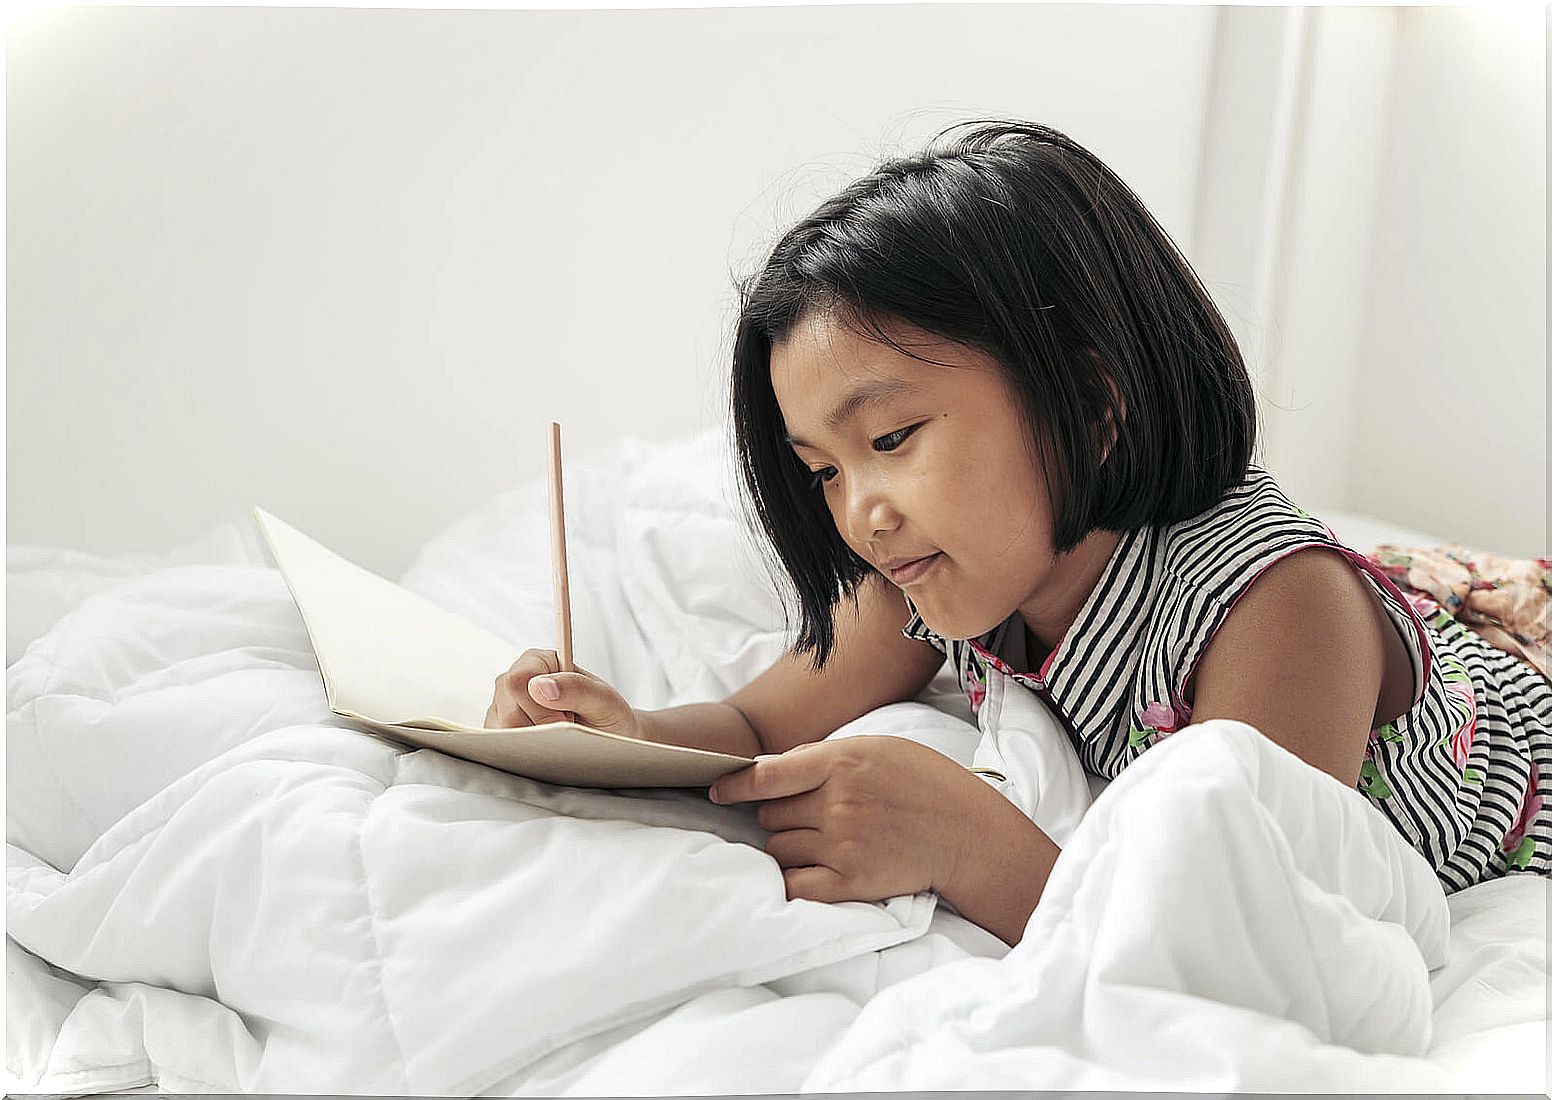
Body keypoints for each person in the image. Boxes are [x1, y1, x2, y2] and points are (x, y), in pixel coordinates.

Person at [486, 119, 1550, 946]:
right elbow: (759, 722)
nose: (859, 508)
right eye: (821, 471)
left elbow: (1261, 941)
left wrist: (970, 843)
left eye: (891, 437)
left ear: (1090, 401)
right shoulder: (933, 567)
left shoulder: (1274, 610)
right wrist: (611, 733)